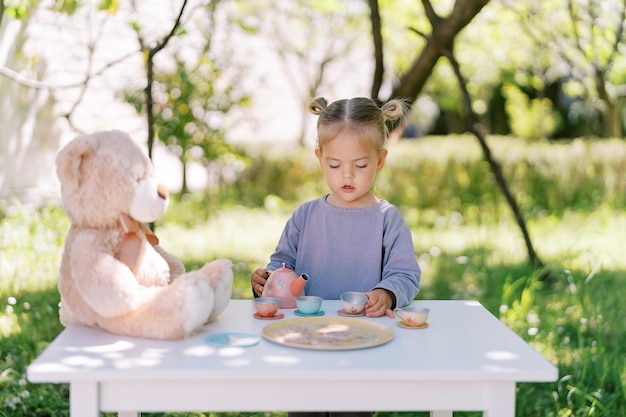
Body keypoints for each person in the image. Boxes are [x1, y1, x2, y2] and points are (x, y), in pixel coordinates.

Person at [251, 97, 421, 417]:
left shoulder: (387, 219)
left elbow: (405, 273)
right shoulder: (305, 216)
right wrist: (267, 280)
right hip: (304, 339)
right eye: (334, 165)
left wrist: (386, 293)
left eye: (360, 165)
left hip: (363, 343)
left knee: (352, 412)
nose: (347, 175)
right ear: (320, 158)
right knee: (305, 410)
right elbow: (282, 264)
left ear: (379, 160)